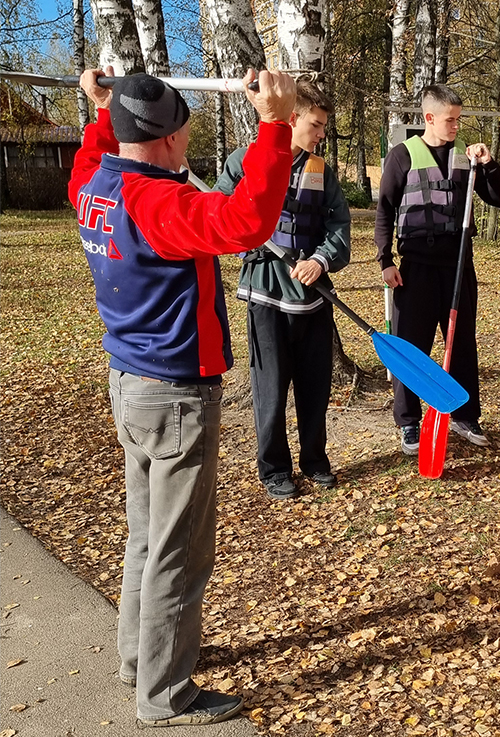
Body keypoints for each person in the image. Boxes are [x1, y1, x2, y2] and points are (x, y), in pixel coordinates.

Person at [70, 67, 296, 726]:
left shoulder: (96, 185)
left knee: (148, 538)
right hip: (172, 395)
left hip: (130, 385)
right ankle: (164, 693)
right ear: (168, 140)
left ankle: (140, 660)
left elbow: (92, 153)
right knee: (181, 550)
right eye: (187, 136)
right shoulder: (156, 203)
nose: (188, 146)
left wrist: (102, 109)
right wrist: (274, 125)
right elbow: (246, 221)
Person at [216, 81, 351, 500]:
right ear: (292, 118)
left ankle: (315, 460)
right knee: (270, 389)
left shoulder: (320, 171)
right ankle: (274, 469)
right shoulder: (243, 162)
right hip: (266, 296)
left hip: (312, 297)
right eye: (316, 124)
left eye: (324, 126)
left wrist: (321, 260)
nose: (322, 134)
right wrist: (247, 239)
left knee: (315, 387)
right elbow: (218, 219)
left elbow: (339, 227)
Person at [375, 84, 500, 455]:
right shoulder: (402, 156)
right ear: (429, 118)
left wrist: (489, 164)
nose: (456, 126)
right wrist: (385, 260)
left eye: (458, 119)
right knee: (410, 348)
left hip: (458, 267)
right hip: (415, 269)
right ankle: (408, 423)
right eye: (450, 120)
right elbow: (385, 210)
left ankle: (465, 416)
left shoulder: (467, 156)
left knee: (462, 343)